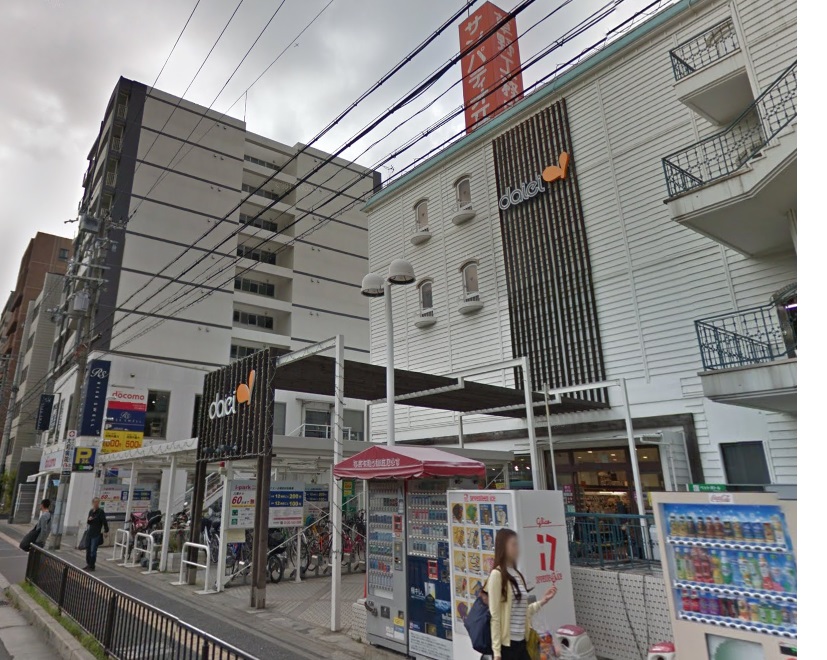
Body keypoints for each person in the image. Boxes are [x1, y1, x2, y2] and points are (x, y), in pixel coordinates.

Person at [488, 529, 557, 660]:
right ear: (503, 547)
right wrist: (496, 652)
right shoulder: (497, 575)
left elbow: (524, 611)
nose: (517, 549)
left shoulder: (517, 574)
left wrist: (543, 601)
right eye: (513, 544)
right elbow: (495, 616)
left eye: (517, 544)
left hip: (522, 642)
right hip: (507, 646)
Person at [84, 497, 109, 571]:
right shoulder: (91, 511)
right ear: (92, 503)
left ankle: (92, 566)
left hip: (96, 533)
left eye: (98, 503)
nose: (96, 504)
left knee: (93, 550)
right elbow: (88, 522)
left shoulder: (100, 512)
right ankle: (88, 564)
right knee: (88, 549)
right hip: (90, 532)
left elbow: (104, 521)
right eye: (95, 502)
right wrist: (89, 520)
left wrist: (106, 531)